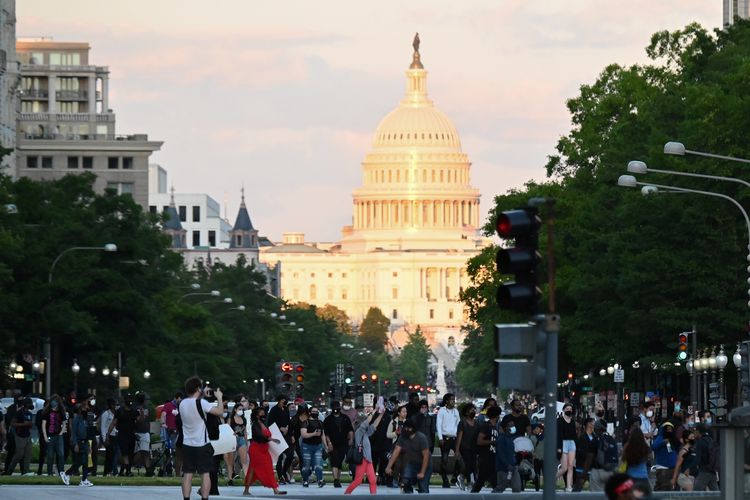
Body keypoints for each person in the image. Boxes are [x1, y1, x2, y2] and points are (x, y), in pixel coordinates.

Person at [179, 376, 224, 500]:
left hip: (188, 443)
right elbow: (219, 411)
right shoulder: (202, 403)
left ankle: (186, 498)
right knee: (205, 474)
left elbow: (194, 404)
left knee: (187, 474)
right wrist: (219, 397)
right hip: (202, 444)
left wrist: (202, 394)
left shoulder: (182, 404)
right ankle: (204, 498)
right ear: (198, 388)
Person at [243, 406, 287, 496]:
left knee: (257, 469)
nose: (263, 414)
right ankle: (275, 490)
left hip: (263, 449)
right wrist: (271, 439)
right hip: (256, 449)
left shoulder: (263, 423)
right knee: (262, 469)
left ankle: (246, 489)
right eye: (261, 412)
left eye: (263, 412)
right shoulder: (254, 424)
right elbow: (259, 436)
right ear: (256, 415)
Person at [385, 417, 431, 493]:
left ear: (413, 429)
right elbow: (396, 451)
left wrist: (422, 472)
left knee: (423, 487)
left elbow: (426, 456)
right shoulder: (403, 437)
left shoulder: (421, 438)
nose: (406, 430)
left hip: (425, 464)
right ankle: (407, 491)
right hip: (412, 463)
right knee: (405, 481)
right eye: (405, 428)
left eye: (408, 428)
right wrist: (388, 467)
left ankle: (423, 491)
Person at [345, 408, 385, 495]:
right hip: (362, 459)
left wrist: (381, 414)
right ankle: (346, 494)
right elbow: (367, 422)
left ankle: (373, 496)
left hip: (368, 460)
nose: (367, 423)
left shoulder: (365, 434)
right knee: (358, 481)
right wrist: (375, 411)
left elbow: (374, 425)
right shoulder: (359, 432)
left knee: (373, 480)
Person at [323, 400, 354, 488]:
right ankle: (335, 479)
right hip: (333, 443)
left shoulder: (345, 418)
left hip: (343, 443)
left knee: (340, 460)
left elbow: (350, 429)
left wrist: (351, 439)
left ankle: (338, 479)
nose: (336, 410)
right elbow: (326, 433)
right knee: (334, 460)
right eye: (334, 408)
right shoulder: (328, 420)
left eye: (337, 408)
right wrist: (329, 443)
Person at [470, 405, 501, 492]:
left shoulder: (495, 427)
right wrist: (492, 442)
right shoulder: (486, 426)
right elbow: (479, 441)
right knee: (481, 480)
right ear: (496, 416)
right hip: (485, 457)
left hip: (493, 457)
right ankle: (473, 495)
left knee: (494, 481)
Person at [41, 394, 68, 483]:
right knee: (50, 455)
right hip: (50, 435)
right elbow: (43, 425)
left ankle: (61, 472)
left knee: (60, 454)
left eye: (56, 401)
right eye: (53, 400)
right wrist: (45, 436)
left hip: (58, 436)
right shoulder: (47, 412)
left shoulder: (61, 412)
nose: (54, 402)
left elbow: (64, 423)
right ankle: (49, 473)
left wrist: (61, 433)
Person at [108, 393, 137, 476]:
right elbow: (114, 423)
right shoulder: (120, 411)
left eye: (131, 399)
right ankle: (128, 471)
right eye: (128, 399)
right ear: (124, 400)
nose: (130, 401)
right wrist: (108, 434)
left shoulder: (134, 411)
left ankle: (123, 470)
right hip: (122, 434)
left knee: (130, 454)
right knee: (125, 453)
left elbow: (138, 421)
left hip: (131, 434)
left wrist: (141, 413)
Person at [266, 395, 293, 484]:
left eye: (285, 400)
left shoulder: (286, 409)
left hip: (286, 434)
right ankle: (280, 476)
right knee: (280, 457)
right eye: (283, 400)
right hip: (277, 434)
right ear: (279, 400)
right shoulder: (274, 410)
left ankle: (284, 471)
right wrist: (280, 428)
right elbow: (270, 422)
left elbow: (288, 421)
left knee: (290, 454)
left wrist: (288, 430)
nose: (284, 401)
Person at [435, 393, 460, 488]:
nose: (453, 401)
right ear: (447, 401)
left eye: (454, 399)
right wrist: (440, 438)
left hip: (454, 438)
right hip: (445, 438)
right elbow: (438, 425)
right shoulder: (442, 411)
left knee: (459, 457)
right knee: (444, 459)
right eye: (452, 399)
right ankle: (445, 480)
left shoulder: (456, 411)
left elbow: (458, 424)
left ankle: (455, 476)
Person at [493, 416, 522, 493]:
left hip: (513, 467)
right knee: (501, 487)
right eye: (511, 426)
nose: (513, 427)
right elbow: (501, 453)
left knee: (517, 488)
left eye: (513, 425)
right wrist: (507, 465)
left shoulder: (510, 439)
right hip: (503, 468)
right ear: (506, 428)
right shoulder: (501, 439)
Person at [6, 397, 33, 476]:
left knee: (28, 454)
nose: (30, 405)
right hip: (19, 435)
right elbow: (12, 423)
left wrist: (30, 424)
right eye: (29, 404)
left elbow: (30, 423)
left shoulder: (30, 413)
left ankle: (25, 472)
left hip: (27, 435)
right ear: (25, 404)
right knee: (19, 454)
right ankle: (10, 470)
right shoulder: (19, 413)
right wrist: (23, 424)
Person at [225, 395, 249, 486]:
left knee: (244, 461)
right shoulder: (231, 419)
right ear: (235, 410)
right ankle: (230, 479)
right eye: (239, 409)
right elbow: (227, 430)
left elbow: (245, 431)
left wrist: (246, 442)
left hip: (241, 439)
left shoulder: (244, 419)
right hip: (233, 440)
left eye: (242, 409)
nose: (241, 411)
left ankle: (247, 479)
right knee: (231, 461)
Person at [455, 402, 479, 491]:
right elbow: (459, 437)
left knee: (474, 466)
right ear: (466, 413)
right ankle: (470, 482)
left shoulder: (477, 423)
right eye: (471, 410)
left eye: (474, 410)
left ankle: (461, 478)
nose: (473, 411)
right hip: (464, 447)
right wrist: (457, 450)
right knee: (468, 466)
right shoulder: (463, 423)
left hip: (474, 448)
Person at [300, 406, 325, 487]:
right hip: (307, 446)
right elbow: (303, 434)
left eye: (317, 411)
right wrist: (313, 434)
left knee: (318, 464)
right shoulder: (305, 422)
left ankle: (320, 480)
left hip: (318, 446)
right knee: (307, 465)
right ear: (310, 413)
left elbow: (322, 435)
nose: (315, 413)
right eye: (314, 411)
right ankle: (305, 480)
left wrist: (326, 445)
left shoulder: (320, 422)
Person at [622, 427, 651, 495]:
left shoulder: (628, 446)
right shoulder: (645, 447)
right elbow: (649, 459)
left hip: (630, 478)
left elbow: (623, 460)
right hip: (643, 478)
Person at [70, 403, 94, 486]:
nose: (86, 410)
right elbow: (74, 433)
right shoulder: (76, 419)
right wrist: (75, 444)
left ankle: (84, 479)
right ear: (80, 410)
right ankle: (67, 473)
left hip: (85, 442)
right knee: (81, 461)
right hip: (79, 442)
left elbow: (87, 433)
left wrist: (89, 446)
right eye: (84, 409)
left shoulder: (85, 419)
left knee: (85, 462)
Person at [572, 417, 598, 492]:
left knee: (596, 490)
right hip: (581, 467)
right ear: (589, 424)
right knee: (577, 489)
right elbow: (580, 452)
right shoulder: (581, 438)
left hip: (592, 468)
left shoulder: (595, 437)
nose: (595, 425)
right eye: (593, 423)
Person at [160, 392, 183, 476]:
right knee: (168, 452)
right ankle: (164, 469)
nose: (181, 401)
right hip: (169, 431)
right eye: (180, 399)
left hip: (177, 432)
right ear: (176, 397)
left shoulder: (180, 407)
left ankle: (176, 470)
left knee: (176, 452)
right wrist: (163, 423)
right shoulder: (168, 405)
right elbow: (163, 414)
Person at [652, 420, 678, 491]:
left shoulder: (673, 439)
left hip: (672, 469)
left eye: (671, 429)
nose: (669, 431)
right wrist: (662, 442)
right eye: (667, 429)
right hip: (663, 468)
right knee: (664, 488)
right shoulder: (660, 438)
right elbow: (654, 447)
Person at [556, 402, 577, 492]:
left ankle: (569, 486)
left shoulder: (572, 421)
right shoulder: (559, 420)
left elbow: (574, 435)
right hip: (563, 443)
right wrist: (558, 447)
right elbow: (558, 435)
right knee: (564, 468)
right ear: (563, 410)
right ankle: (551, 481)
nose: (569, 410)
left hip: (571, 443)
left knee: (570, 466)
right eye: (567, 409)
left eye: (570, 409)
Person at [692, 422, 719, 491]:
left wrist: (691, 468)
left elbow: (697, 460)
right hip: (712, 471)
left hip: (704, 472)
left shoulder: (700, 442)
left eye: (694, 431)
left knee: (695, 493)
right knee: (716, 494)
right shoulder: (710, 439)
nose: (693, 433)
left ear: (698, 432)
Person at [100, 398, 119, 477]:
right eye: (115, 404)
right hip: (109, 436)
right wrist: (104, 438)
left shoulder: (116, 414)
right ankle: (107, 471)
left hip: (115, 435)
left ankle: (112, 470)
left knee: (115, 454)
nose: (116, 406)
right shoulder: (106, 414)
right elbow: (103, 427)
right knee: (109, 454)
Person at [529, 423, 544, 491]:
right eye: (535, 429)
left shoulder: (544, 437)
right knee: (536, 473)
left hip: (543, 459)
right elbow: (529, 448)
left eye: (538, 429)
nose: (536, 430)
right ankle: (537, 485)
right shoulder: (531, 438)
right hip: (535, 459)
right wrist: (532, 454)